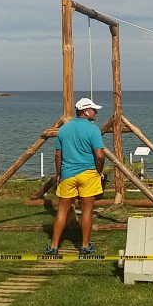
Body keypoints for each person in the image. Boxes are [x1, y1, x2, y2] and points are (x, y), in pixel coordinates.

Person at [44, 97, 106, 255]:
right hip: (88, 174)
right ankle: (85, 245)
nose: (96, 112)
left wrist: (59, 173)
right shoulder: (93, 130)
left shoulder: (64, 130)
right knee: (87, 210)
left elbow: (58, 155)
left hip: (68, 174)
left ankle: (54, 245)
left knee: (62, 210)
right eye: (93, 109)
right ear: (86, 111)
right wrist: (98, 171)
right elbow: (99, 155)